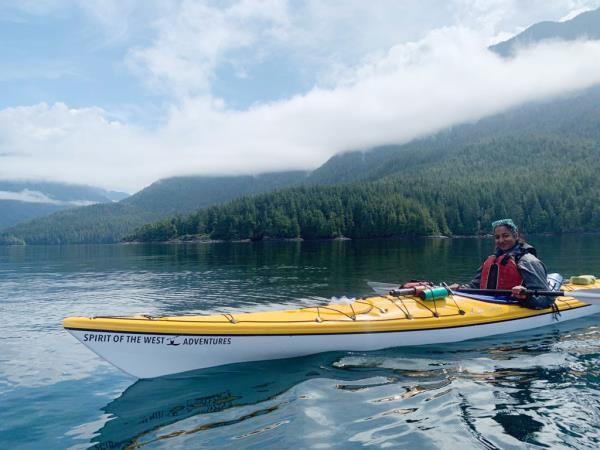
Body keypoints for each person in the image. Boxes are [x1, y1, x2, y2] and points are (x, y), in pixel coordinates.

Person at [450, 219, 554, 309]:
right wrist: (460, 289)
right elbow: (475, 286)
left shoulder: (527, 261)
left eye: (505, 236)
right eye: (497, 237)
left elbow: (547, 299)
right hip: (488, 305)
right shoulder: (492, 260)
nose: (501, 240)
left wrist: (527, 296)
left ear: (515, 235)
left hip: (515, 308)